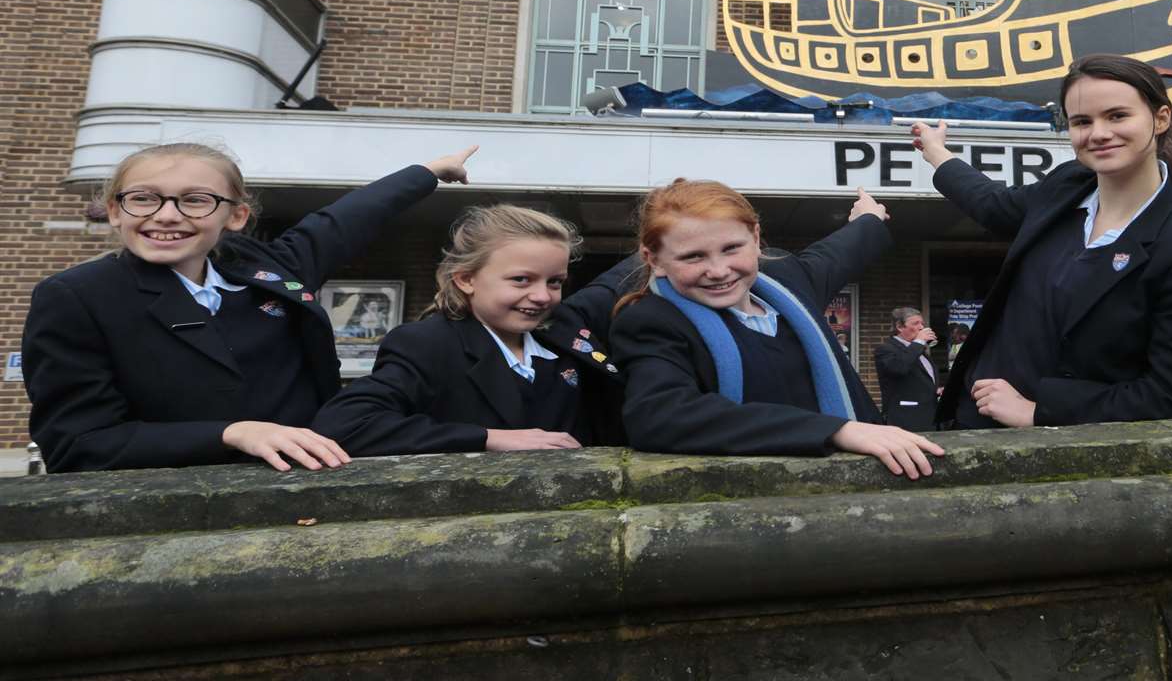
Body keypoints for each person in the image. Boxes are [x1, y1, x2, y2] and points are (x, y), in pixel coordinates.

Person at [23, 141, 476, 473]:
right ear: (115, 210)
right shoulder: (74, 297)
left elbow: (345, 220)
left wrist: (428, 171)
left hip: (322, 482)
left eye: (195, 200)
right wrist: (235, 432)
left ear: (235, 216)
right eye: (143, 197)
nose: (165, 214)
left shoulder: (267, 268)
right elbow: (77, 444)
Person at [912, 54, 1172, 428]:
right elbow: (994, 204)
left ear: (1160, 119)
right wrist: (936, 152)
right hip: (969, 422)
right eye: (1082, 121)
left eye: (1117, 116)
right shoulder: (1066, 185)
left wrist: (1038, 412)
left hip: (1063, 457)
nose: (1098, 133)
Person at [609, 181, 944, 478]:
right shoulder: (651, 320)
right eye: (693, 257)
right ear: (653, 259)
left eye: (731, 248)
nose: (718, 270)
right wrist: (837, 431)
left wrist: (868, 217)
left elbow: (843, 249)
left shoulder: (789, 283)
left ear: (755, 238)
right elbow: (661, 416)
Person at [311, 206, 637, 455]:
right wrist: (488, 438)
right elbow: (344, 424)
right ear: (466, 279)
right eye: (521, 279)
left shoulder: (564, 327)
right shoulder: (427, 343)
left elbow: (627, 273)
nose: (542, 296)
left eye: (555, 281)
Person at [874, 306, 940, 431]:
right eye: (916, 323)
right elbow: (899, 368)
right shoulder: (886, 349)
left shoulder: (918, 350)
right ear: (899, 326)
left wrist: (935, 390)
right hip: (906, 419)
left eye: (922, 324)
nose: (921, 327)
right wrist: (919, 342)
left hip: (929, 417)